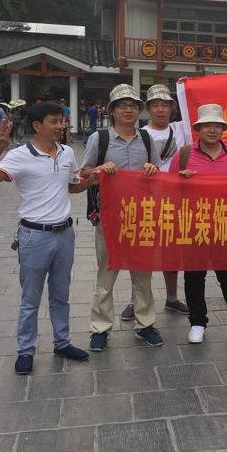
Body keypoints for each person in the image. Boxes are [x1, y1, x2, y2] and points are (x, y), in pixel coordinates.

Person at [0, 102, 91, 374]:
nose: (60, 126)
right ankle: (26, 350)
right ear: (37, 126)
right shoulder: (19, 155)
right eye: (54, 121)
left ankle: (62, 342)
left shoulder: (67, 152)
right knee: (31, 299)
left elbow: (72, 187)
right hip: (35, 236)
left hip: (65, 234)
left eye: (61, 121)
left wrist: (92, 180)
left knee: (61, 295)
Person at [169, 104, 227, 344]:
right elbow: (168, 189)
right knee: (194, 276)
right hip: (194, 225)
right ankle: (197, 323)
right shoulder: (183, 155)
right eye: (207, 126)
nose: (212, 130)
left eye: (217, 126)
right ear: (198, 129)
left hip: (224, 225)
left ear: (223, 129)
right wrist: (181, 181)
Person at [81, 84, 163, 352]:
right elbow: (84, 173)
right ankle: (100, 328)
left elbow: (158, 172)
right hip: (110, 218)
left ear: (139, 111)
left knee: (143, 276)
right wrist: (99, 169)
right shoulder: (100, 138)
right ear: (112, 111)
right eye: (122, 106)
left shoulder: (147, 139)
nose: (128, 110)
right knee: (106, 275)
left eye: (133, 106)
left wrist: (152, 169)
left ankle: (145, 324)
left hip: (142, 217)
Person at [120, 83, 188, 321]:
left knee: (172, 252)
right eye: (155, 105)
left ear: (172, 108)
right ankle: (135, 300)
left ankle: (172, 298)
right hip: (145, 202)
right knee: (141, 253)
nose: (161, 109)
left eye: (165, 105)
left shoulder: (181, 129)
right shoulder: (138, 134)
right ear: (147, 109)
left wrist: (186, 88)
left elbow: (198, 108)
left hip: (175, 201)